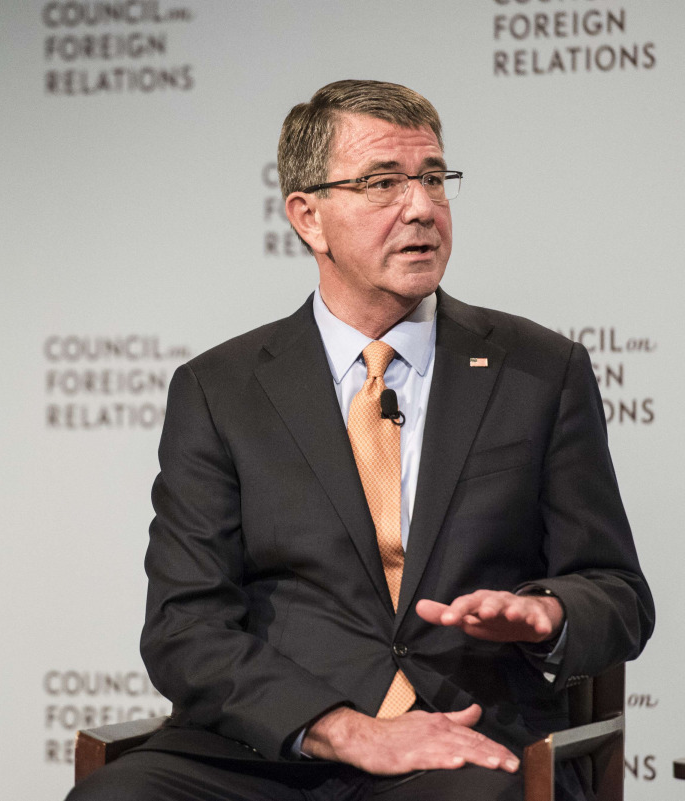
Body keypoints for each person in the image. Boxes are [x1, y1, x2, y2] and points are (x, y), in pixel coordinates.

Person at [67, 79, 654, 801]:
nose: (422, 207)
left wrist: (550, 611)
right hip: (274, 748)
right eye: (383, 182)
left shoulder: (539, 370)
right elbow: (184, 626)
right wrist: (341, 726)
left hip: (461, 740)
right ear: (308, 217)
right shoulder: (220, 389)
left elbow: (618, 594)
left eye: (434, 178)